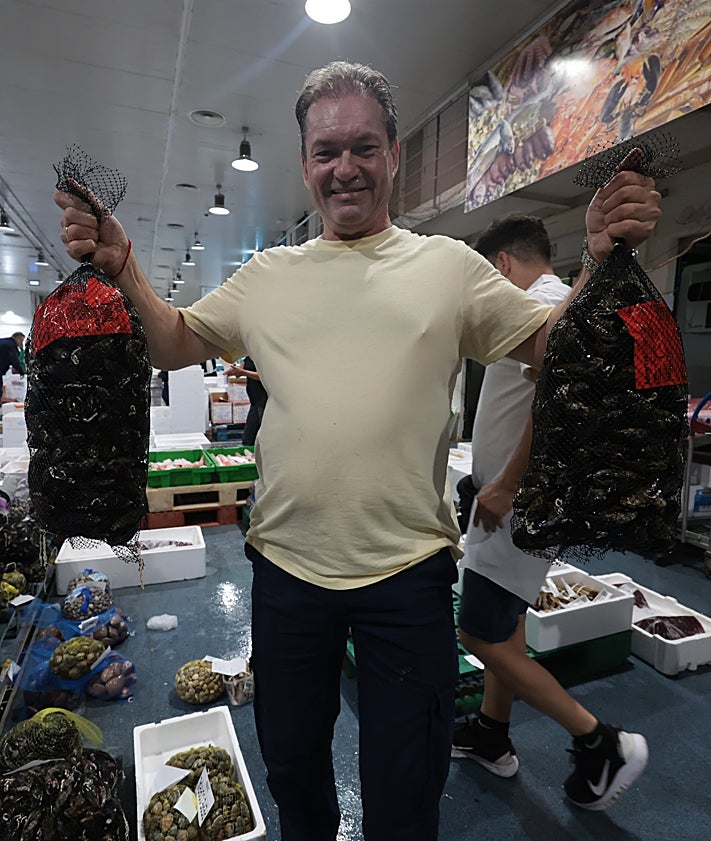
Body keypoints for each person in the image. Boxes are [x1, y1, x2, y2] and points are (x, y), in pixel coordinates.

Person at [55, 61, 661, 841]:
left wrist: (604, 254)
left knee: (405, 785)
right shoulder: (267, 274)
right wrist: (121, 262)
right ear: (304, 162)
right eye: (326, 150)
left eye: (364, 147)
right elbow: (172, 342)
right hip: (285, 575)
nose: (345, 168)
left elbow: (558, 348)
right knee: (293, 770)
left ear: (394, 154)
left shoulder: (448, 268)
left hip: (406, 580)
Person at [451, 213, 648, 810]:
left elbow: (562, 404)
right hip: (515, 500)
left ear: (503, 264)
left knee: (477, 634)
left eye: (487, 276)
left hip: (518, 505)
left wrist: (506, 484)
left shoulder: (541, 306)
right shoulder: (552, 301)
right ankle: (491, 734)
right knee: (504, 627)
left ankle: (600, 741)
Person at [226, 356, 268, 445]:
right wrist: (234, 371)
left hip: (265, 401)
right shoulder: (249, 357)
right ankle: (249, 455)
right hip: (254, 401)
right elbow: (240, 370)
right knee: (248, 438)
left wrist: (243, 372)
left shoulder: (264, 357)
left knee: (264, 435)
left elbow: (263, 376)